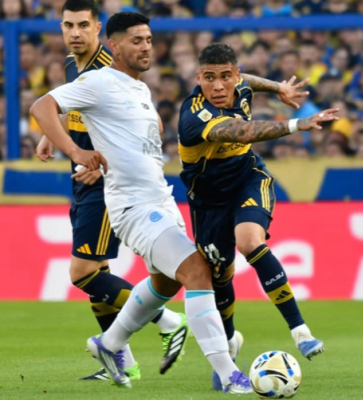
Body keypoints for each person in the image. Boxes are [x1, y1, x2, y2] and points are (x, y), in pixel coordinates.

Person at [30, 12, 252, 394]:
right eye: (137, 40)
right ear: (114, 46)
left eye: (148, 39)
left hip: (160, 199)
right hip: (133, 206)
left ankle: (109, 343)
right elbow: (41, 106)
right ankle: (230, 373)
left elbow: (136, 134)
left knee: (165, 283)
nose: (146, 46)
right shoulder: (99, 81)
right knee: (197, 272)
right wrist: (75, 152)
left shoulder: (140, 89)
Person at [35, 0, 188, 381]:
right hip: (83, 178)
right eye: (68, 26)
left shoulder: (109, 65)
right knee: (98, 276)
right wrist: (51, 134)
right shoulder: (74, 65)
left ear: (98, 28)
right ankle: (123, 363)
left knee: (83, 272)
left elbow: (151, 122)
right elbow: (74, 107)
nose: (75, 33)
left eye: (82, 25)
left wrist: (99, 160)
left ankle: (168, 321)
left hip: (107, 184)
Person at [178, 43, 338, 390]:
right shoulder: (194, 116)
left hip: (248, 178)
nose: (218, 86)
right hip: (208, 201)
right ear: (198, 78)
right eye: (209, 78)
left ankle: (300, 331)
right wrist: (297, 124)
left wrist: (278, 87)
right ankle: (229, 344)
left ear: (234, 75)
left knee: (249, 241)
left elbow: (248, 80)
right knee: (219, 276)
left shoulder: (239, 84)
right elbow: (242, 131)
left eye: (226, 77)